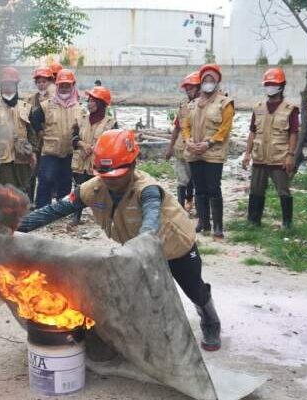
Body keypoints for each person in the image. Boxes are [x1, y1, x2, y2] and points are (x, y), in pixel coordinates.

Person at [16, 129, 222, 352]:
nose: (111, 181)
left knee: (194, 290)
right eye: (105, 174)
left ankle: (210, 321)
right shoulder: (93, 189)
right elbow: (55, 210)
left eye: (116, 174)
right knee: (137, 297)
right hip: (138, 251)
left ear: (133, 164)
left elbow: (150, 224)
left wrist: (141, 245)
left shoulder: (148, 190)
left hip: (174, 248)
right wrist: (17, 226)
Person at [181, 64, 234, 239]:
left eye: (212, 80)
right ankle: (204, 223)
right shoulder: (193, 104)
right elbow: (185, 125)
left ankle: (218, 226)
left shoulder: (225, 103)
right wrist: (188, 141)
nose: (208, 83)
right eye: (205, 80)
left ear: (217, 81)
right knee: (199, 188)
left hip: (213, 153)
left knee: (213, 188)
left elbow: (224, 129)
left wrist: (209, 143)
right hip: (194, 152)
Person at [242, 68, 299, 228]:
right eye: (267, 84)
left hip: (279, 157)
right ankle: (253, 221)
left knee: (283, 191)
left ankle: (287, 224)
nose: (270, 87)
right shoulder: (258, 108)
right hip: (259, 156)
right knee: (256, 190)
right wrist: (247, 154)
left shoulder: (290, 109)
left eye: (273, 84)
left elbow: (294, 133)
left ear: (281, 86)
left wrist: (290, 155)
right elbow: (252, 132)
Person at [30, 69, 85, 208]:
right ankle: (42, 208)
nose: (64, 88)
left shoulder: (79, 108)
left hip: (70, 152)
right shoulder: (47, 105)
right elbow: (34, 120)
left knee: (65, 181)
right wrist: (40, 132)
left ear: (73, 86)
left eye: (67, 85)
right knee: (46, 179)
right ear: (57, 86)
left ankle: (61, 209)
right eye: (62, 85)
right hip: (50, 151)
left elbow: (83, 129)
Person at [70, 86, 117, 226]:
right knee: (78, 189)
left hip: (99, 163)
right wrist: (83, 145)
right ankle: (76, 216)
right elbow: (73, 137)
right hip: (81, 162)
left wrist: (98, 148)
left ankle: (104, 217)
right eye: (88, 101)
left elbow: (114, 144)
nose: (89, 103)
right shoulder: (82, 120)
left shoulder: (110, 123)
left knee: (101, 191)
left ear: (101, 103)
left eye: (92, 101)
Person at [0, 67, 35, 192]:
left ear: (16, 85)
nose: (7, 87)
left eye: (11, 84)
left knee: (22, 191)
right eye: (5, 84)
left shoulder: (26, 108)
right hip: (0, 159)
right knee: (1, 192)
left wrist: (33, 152)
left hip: (22, 158)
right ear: (1, 86)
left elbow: (32, 134)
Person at [166, 71, 200, 212]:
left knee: (197, 180)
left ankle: (197, 206)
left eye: (191, 88)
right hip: (181, 148)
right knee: (182, 179)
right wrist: (170, 147)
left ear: (199, 87)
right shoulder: (183, 106)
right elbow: (176, 128)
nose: (188, 91)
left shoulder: (205, 106)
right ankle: (181, 206)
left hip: (198, 148)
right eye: (186, 88)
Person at [26, 67, 55, 204]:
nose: (41, 84)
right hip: (34, 142)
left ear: (50, 82)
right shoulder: (30, 99)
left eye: (44, 81)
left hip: (49, 143)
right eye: (39, 82)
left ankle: (44, 203)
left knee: (46, 175)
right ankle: (29, 201)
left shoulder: (55, 100)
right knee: (31, 173)